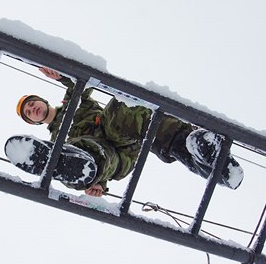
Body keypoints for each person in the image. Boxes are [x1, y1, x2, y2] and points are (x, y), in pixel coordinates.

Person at [16, 67, 243, 196]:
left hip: (116, 134)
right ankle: (77, 166)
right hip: (113, 158)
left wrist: (62, 75)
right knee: (77, 152)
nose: (32, 109)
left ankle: (196, 147)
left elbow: (80, 86)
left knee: (121, 107)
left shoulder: (72, 103)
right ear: (33, 122)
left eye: (32, 103)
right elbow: (103, 174)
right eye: (29, 112)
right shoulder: (56, 140)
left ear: (42, 100)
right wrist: (99, 187)